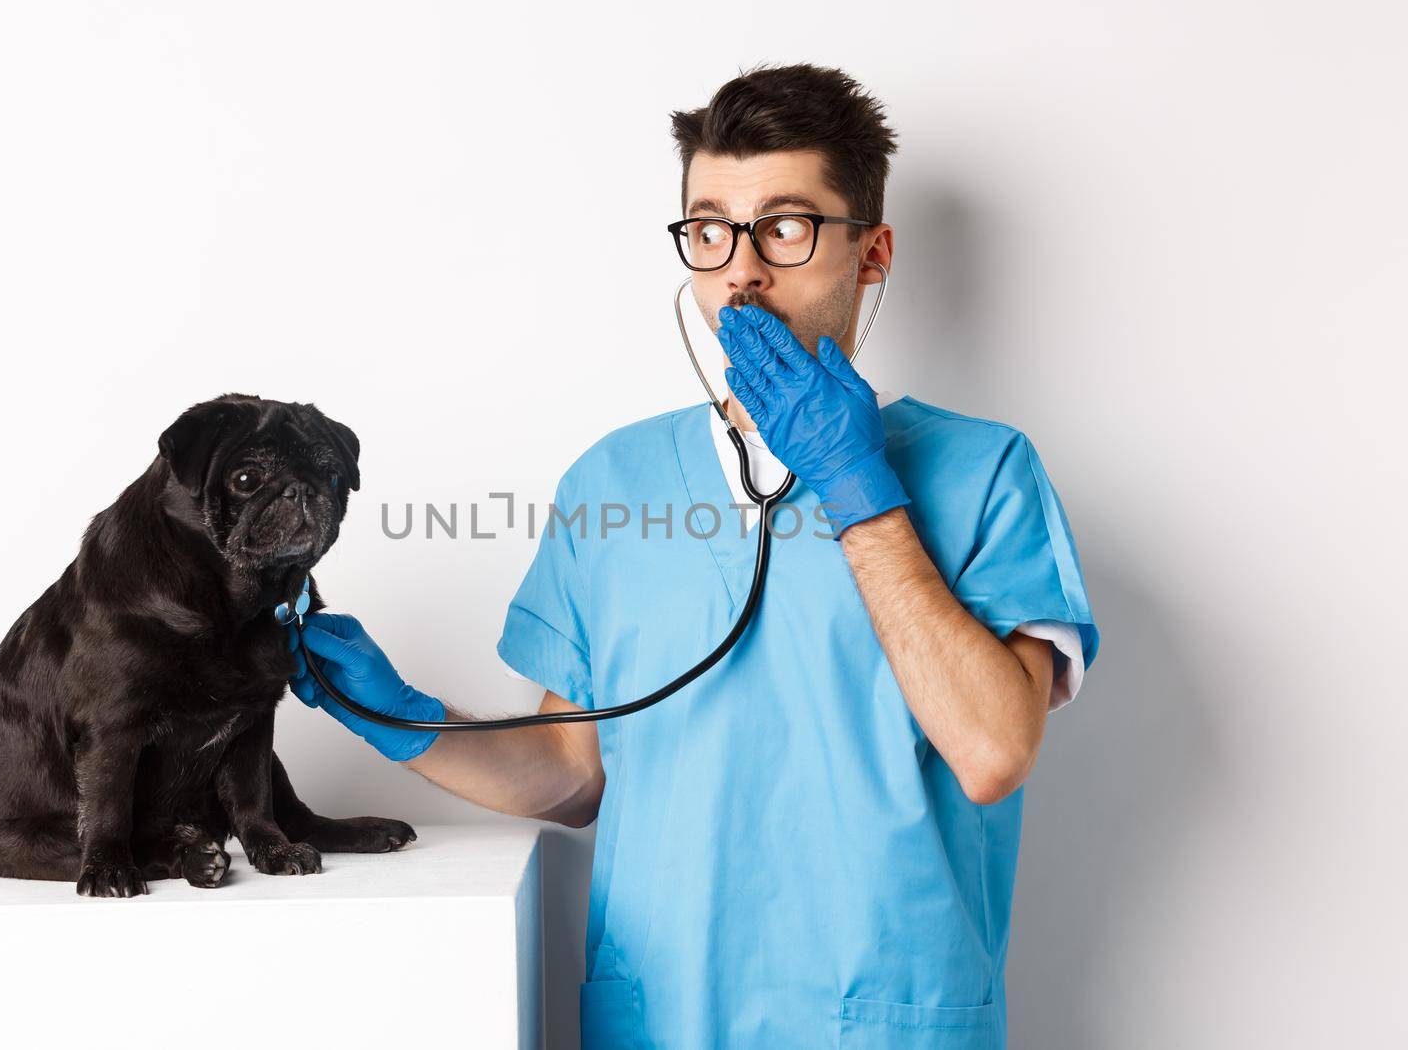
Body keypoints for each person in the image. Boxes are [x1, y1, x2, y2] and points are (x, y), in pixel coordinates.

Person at [290, 63, 1099, 1049]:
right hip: (663, 1019)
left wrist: (859, 493)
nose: (741, 271)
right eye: (710, 228)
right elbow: (569, 773)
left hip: (886, 1017)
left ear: (872, 251)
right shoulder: (614, 480)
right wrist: (398, 717)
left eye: (786, 226)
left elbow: (989, 750)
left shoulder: (983, 471)